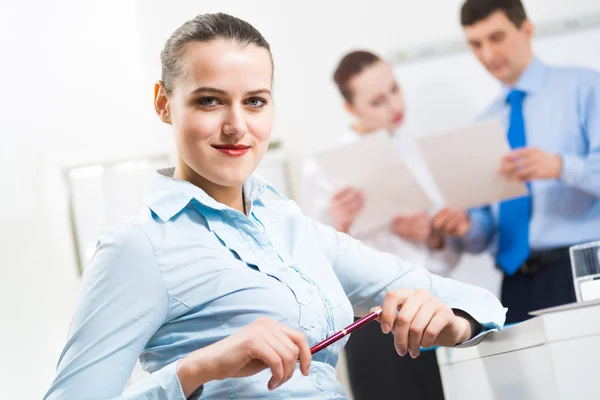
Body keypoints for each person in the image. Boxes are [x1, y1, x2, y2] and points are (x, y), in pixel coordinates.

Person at [44, 13, 506, 400]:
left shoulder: (294, 229)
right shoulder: (138, 248)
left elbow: (478, 302)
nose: (236, 126)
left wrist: (453, 324)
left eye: (255, 102)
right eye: (209, 101)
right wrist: (198, 368)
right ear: (164, 104)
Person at [300, 50, 459, 400]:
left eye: (394, 90)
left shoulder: (418, 151)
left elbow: (448, 253)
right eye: (377, 101)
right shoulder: (322, 170)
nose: (393, 105)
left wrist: (432, 236)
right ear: (351, 109)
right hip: (374, 323)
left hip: (435, 312)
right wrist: (339, 226)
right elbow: (312, 269)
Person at [434, 0, 600, 324]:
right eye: (475, 44)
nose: (486, 54)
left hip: (583, 269)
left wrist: (561, 166)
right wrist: (466, 227)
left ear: (527, 29)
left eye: (496, 37)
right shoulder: (483, 124)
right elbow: (484, 232)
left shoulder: (584, 87)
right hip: (516, 283)